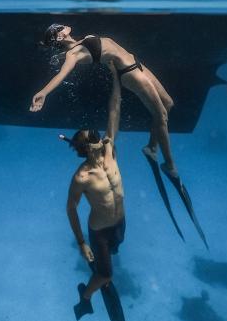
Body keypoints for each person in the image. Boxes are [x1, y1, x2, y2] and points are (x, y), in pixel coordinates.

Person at [31, 24, 208, 247]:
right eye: (59, 27)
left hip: (137, 64)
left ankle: (152, 148)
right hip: (129, 73)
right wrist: (43, 93)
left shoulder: (83, 38)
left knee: (169, 104)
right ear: (59, 35)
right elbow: (61, 75)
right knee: (161, 114)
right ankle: (169, 165)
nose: (65, 25)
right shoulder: (72, 54)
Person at [65, 63, 126, 321]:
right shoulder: (81, 177)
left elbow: (115, 108)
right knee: (105, 275)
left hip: (120, 225)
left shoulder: (110, 151)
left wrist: (116, 77)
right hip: (99, 231)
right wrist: (81, 243)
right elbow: (71, 209)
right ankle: (85, 298)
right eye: (94, 136)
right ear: (87, 147)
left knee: (115, 251)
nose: (100, 135)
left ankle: (103, 267)